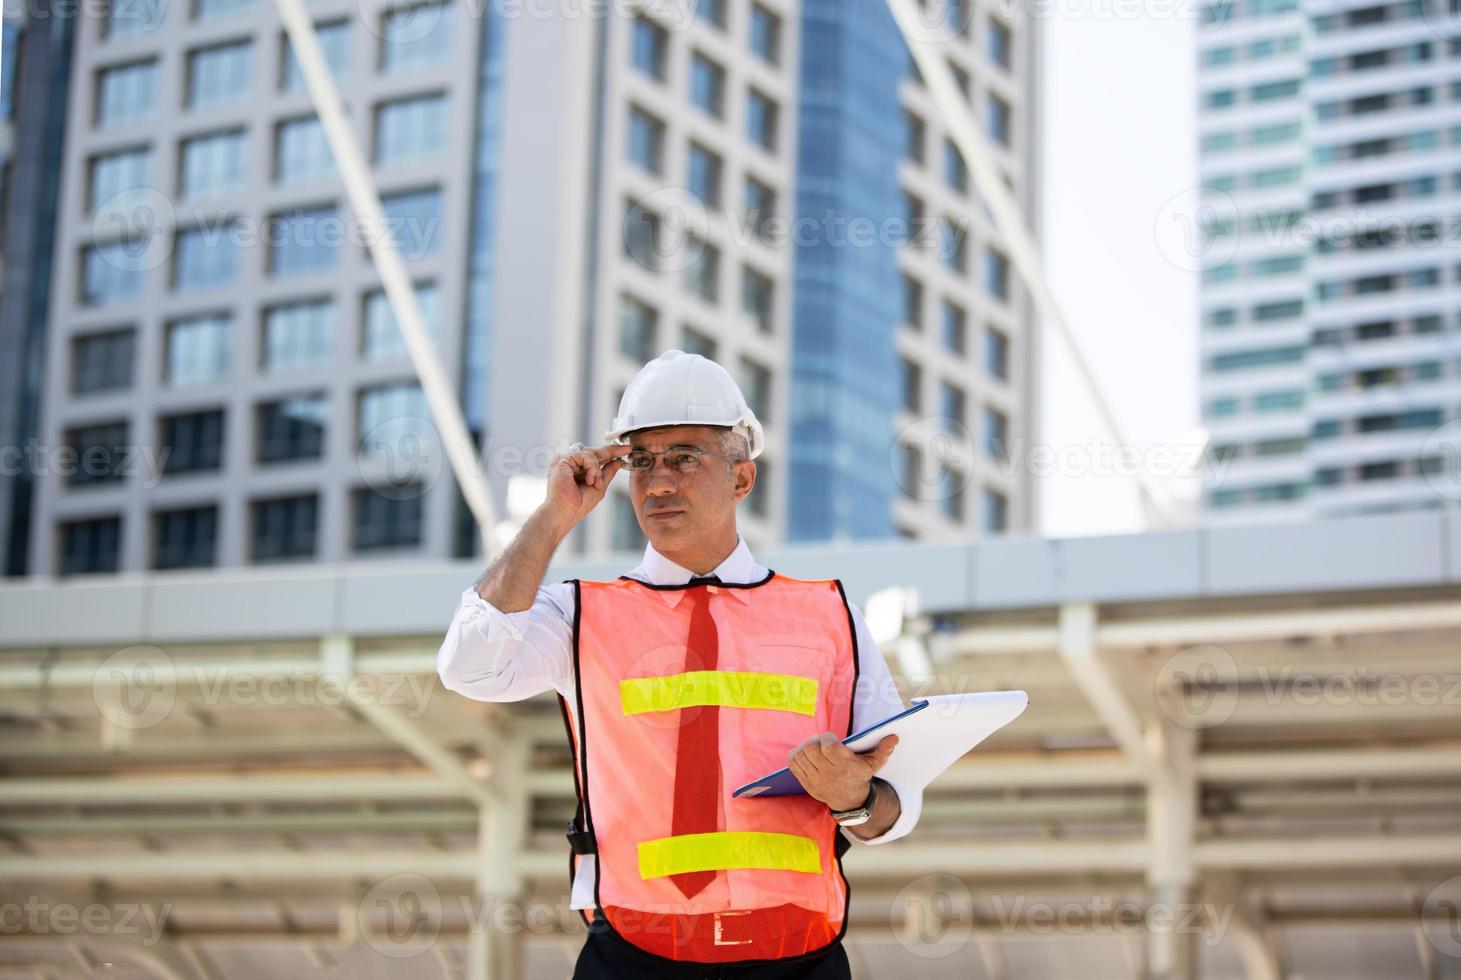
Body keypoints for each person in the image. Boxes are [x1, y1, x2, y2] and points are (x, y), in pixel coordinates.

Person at [437, 350, 923, 978]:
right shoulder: (580, 614)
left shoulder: (831, 613)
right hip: (632, 960)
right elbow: (468, 666)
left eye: (685, 459)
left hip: (798, 963)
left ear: (742, 479)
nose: (658, 482)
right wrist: (553, 517)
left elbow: (898, 806)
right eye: (641, 462)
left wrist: (854, 798)